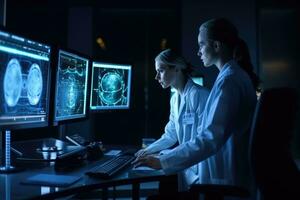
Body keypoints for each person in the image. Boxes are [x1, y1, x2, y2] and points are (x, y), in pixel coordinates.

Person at [133, 18, 259, 196]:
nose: (198, 51)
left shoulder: (229, 81)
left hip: (225, 179)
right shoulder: (229, 78)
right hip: (217, 173)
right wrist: (151, 153)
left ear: (216, 46)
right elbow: (179, 135)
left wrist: (163, 161)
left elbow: (209, 138)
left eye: (201, 44)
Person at [134, 48, 210, 190]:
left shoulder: (201, 96)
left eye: (161, 71)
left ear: (177, 68)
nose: (157, 77)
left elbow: (203, 141)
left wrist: (162, 160)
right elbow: (171, 135)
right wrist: (147, 150)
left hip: (202, 169)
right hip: (188, 166)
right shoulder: (175, 99)